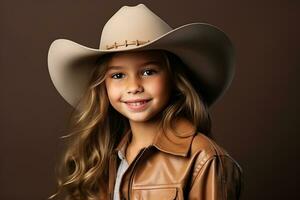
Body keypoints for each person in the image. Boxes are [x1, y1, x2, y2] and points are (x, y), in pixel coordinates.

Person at [47, 3, 243, 200]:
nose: (133, 86)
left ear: (173, 78)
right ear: (103, 85)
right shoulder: (105, 157)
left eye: (148, 72)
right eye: (118, 75)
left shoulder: (204, 159)